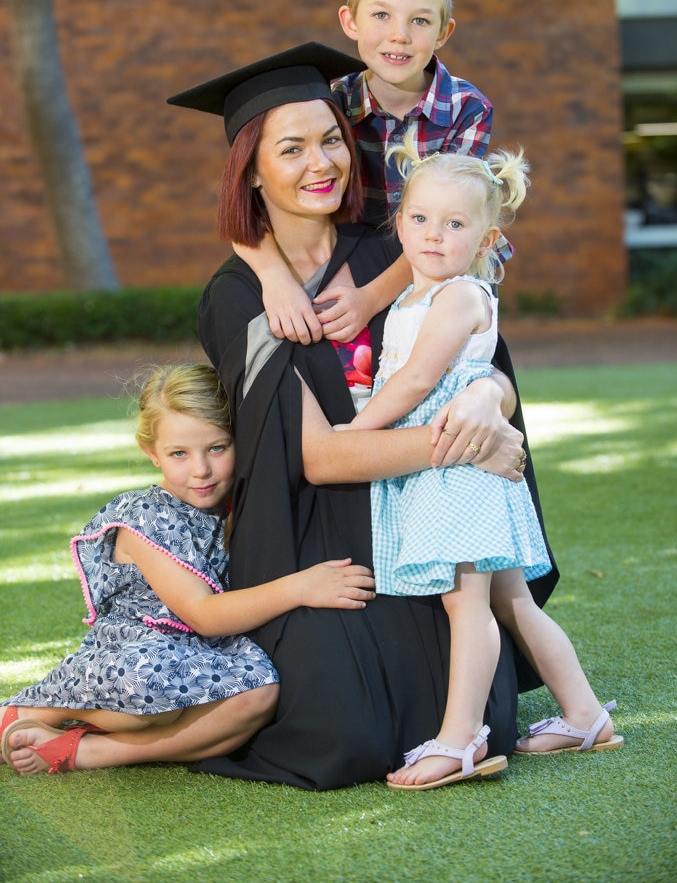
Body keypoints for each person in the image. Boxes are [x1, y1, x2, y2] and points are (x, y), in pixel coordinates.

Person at [165, 42, 558, 790]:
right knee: (345, 736)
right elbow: (319, 458)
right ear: (251, 168)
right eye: (291, 148)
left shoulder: (399, 246)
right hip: (316, 533)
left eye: (331, 140)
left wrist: (486, 402)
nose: (322, 162)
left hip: (417, 515)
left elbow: (482, 360)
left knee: (487, 716)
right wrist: (467, 445)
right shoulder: (238, 297)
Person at [339, 132, 623, 789]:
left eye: (455, 224)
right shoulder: (414, 292)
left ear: (487, 239)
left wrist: (355, 432)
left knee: (466, 605)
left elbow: (413, 385)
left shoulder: (460, 296)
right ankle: (583, 713)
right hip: (446, 467)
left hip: (458, 467)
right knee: (512, 602)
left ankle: (461, 739)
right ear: (399, 221)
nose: (433, 235)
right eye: (418, 219)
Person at [1, 363, 375, 776]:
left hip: (198, 657)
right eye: (179, 453)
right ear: (151, 452)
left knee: (259, 693)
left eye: (217, 448)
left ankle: (93, 751)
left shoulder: (237, 508)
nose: (201, 469)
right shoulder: (144, 514)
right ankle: (37, 711)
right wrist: (301, 587)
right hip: (136, 654)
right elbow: (203, 614)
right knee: (149, 680)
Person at [229, 0, 510, 348]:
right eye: (381, 15)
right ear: (350, 21)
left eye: (420, 21)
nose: (399, 35)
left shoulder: (466, 110)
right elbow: (245, 202)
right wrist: (274, 277)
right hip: (354, 261)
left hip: (444, 269)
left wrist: (370, 299)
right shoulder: (331, 103)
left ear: (444, 32)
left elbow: (449, 228)